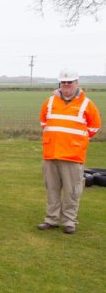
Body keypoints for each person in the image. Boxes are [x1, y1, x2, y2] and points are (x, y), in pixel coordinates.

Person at [37, 69, 101, 234]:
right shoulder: (50, 102)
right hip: (51, 154)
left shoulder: (87, 104)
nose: (66, 85)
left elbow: (94, 127)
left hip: (73, 155)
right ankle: (51, 219)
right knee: (52, 189)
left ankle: (69, 221)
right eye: (63, 82)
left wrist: (76, 141)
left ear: (76, 83)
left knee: (72, 191)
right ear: (60, 83)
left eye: (69, 82)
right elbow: (44, 122)